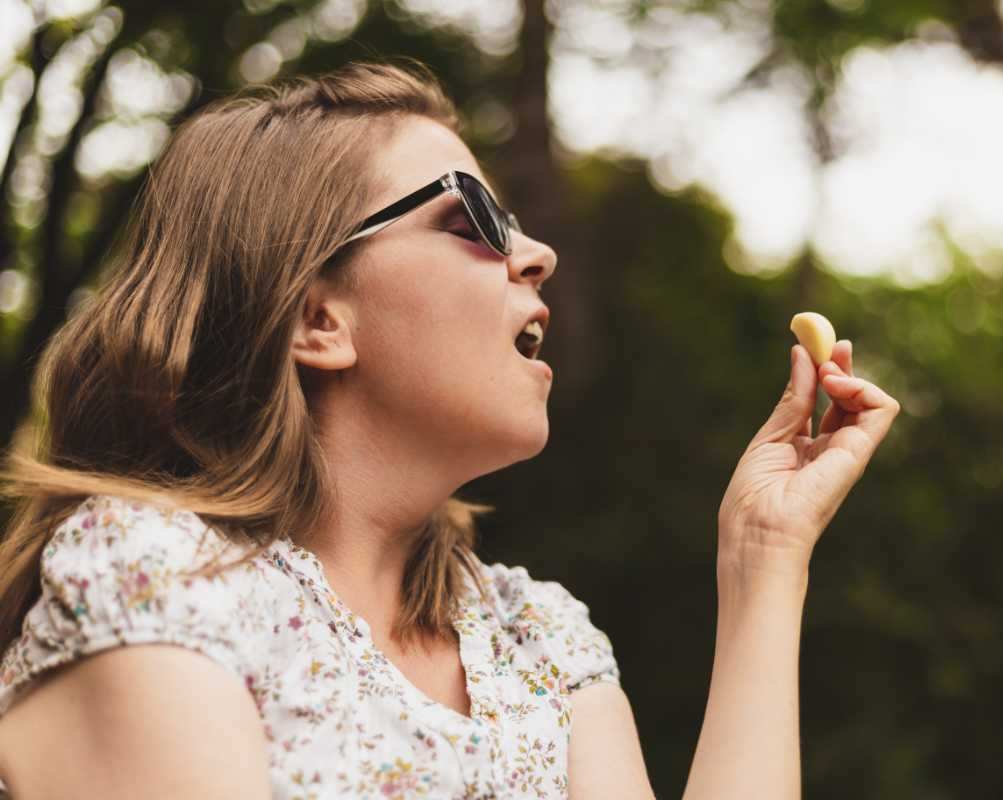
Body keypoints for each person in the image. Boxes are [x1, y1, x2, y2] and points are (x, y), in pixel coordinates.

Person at [0, 60, 899, 799]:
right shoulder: (162, 578)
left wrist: (763, 556)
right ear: (320, 319)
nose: (537, 254)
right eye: (471, 216)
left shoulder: (542, 648)